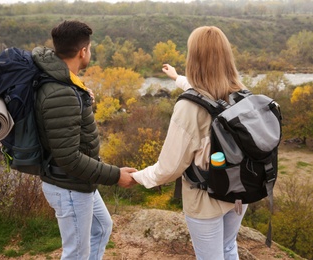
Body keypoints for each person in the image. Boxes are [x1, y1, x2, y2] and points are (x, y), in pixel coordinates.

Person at [131, 26, 248, 260]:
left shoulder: (188, 108)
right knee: (227, 247)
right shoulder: (241, 94)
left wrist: (137, 177)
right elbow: (207, 94)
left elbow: (169, 168)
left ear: (193, 58)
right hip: (239, 189)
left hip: (206, 199)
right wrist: (176, 78)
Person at [33, 20, 137, 260]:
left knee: (101, 228)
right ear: (83, 51)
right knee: (76, 253)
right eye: (89, 48)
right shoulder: (61, 92)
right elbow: (68, 158)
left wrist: (82, 96)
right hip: (69, 186)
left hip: (78, 182)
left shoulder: (64, 82)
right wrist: (115, 175)